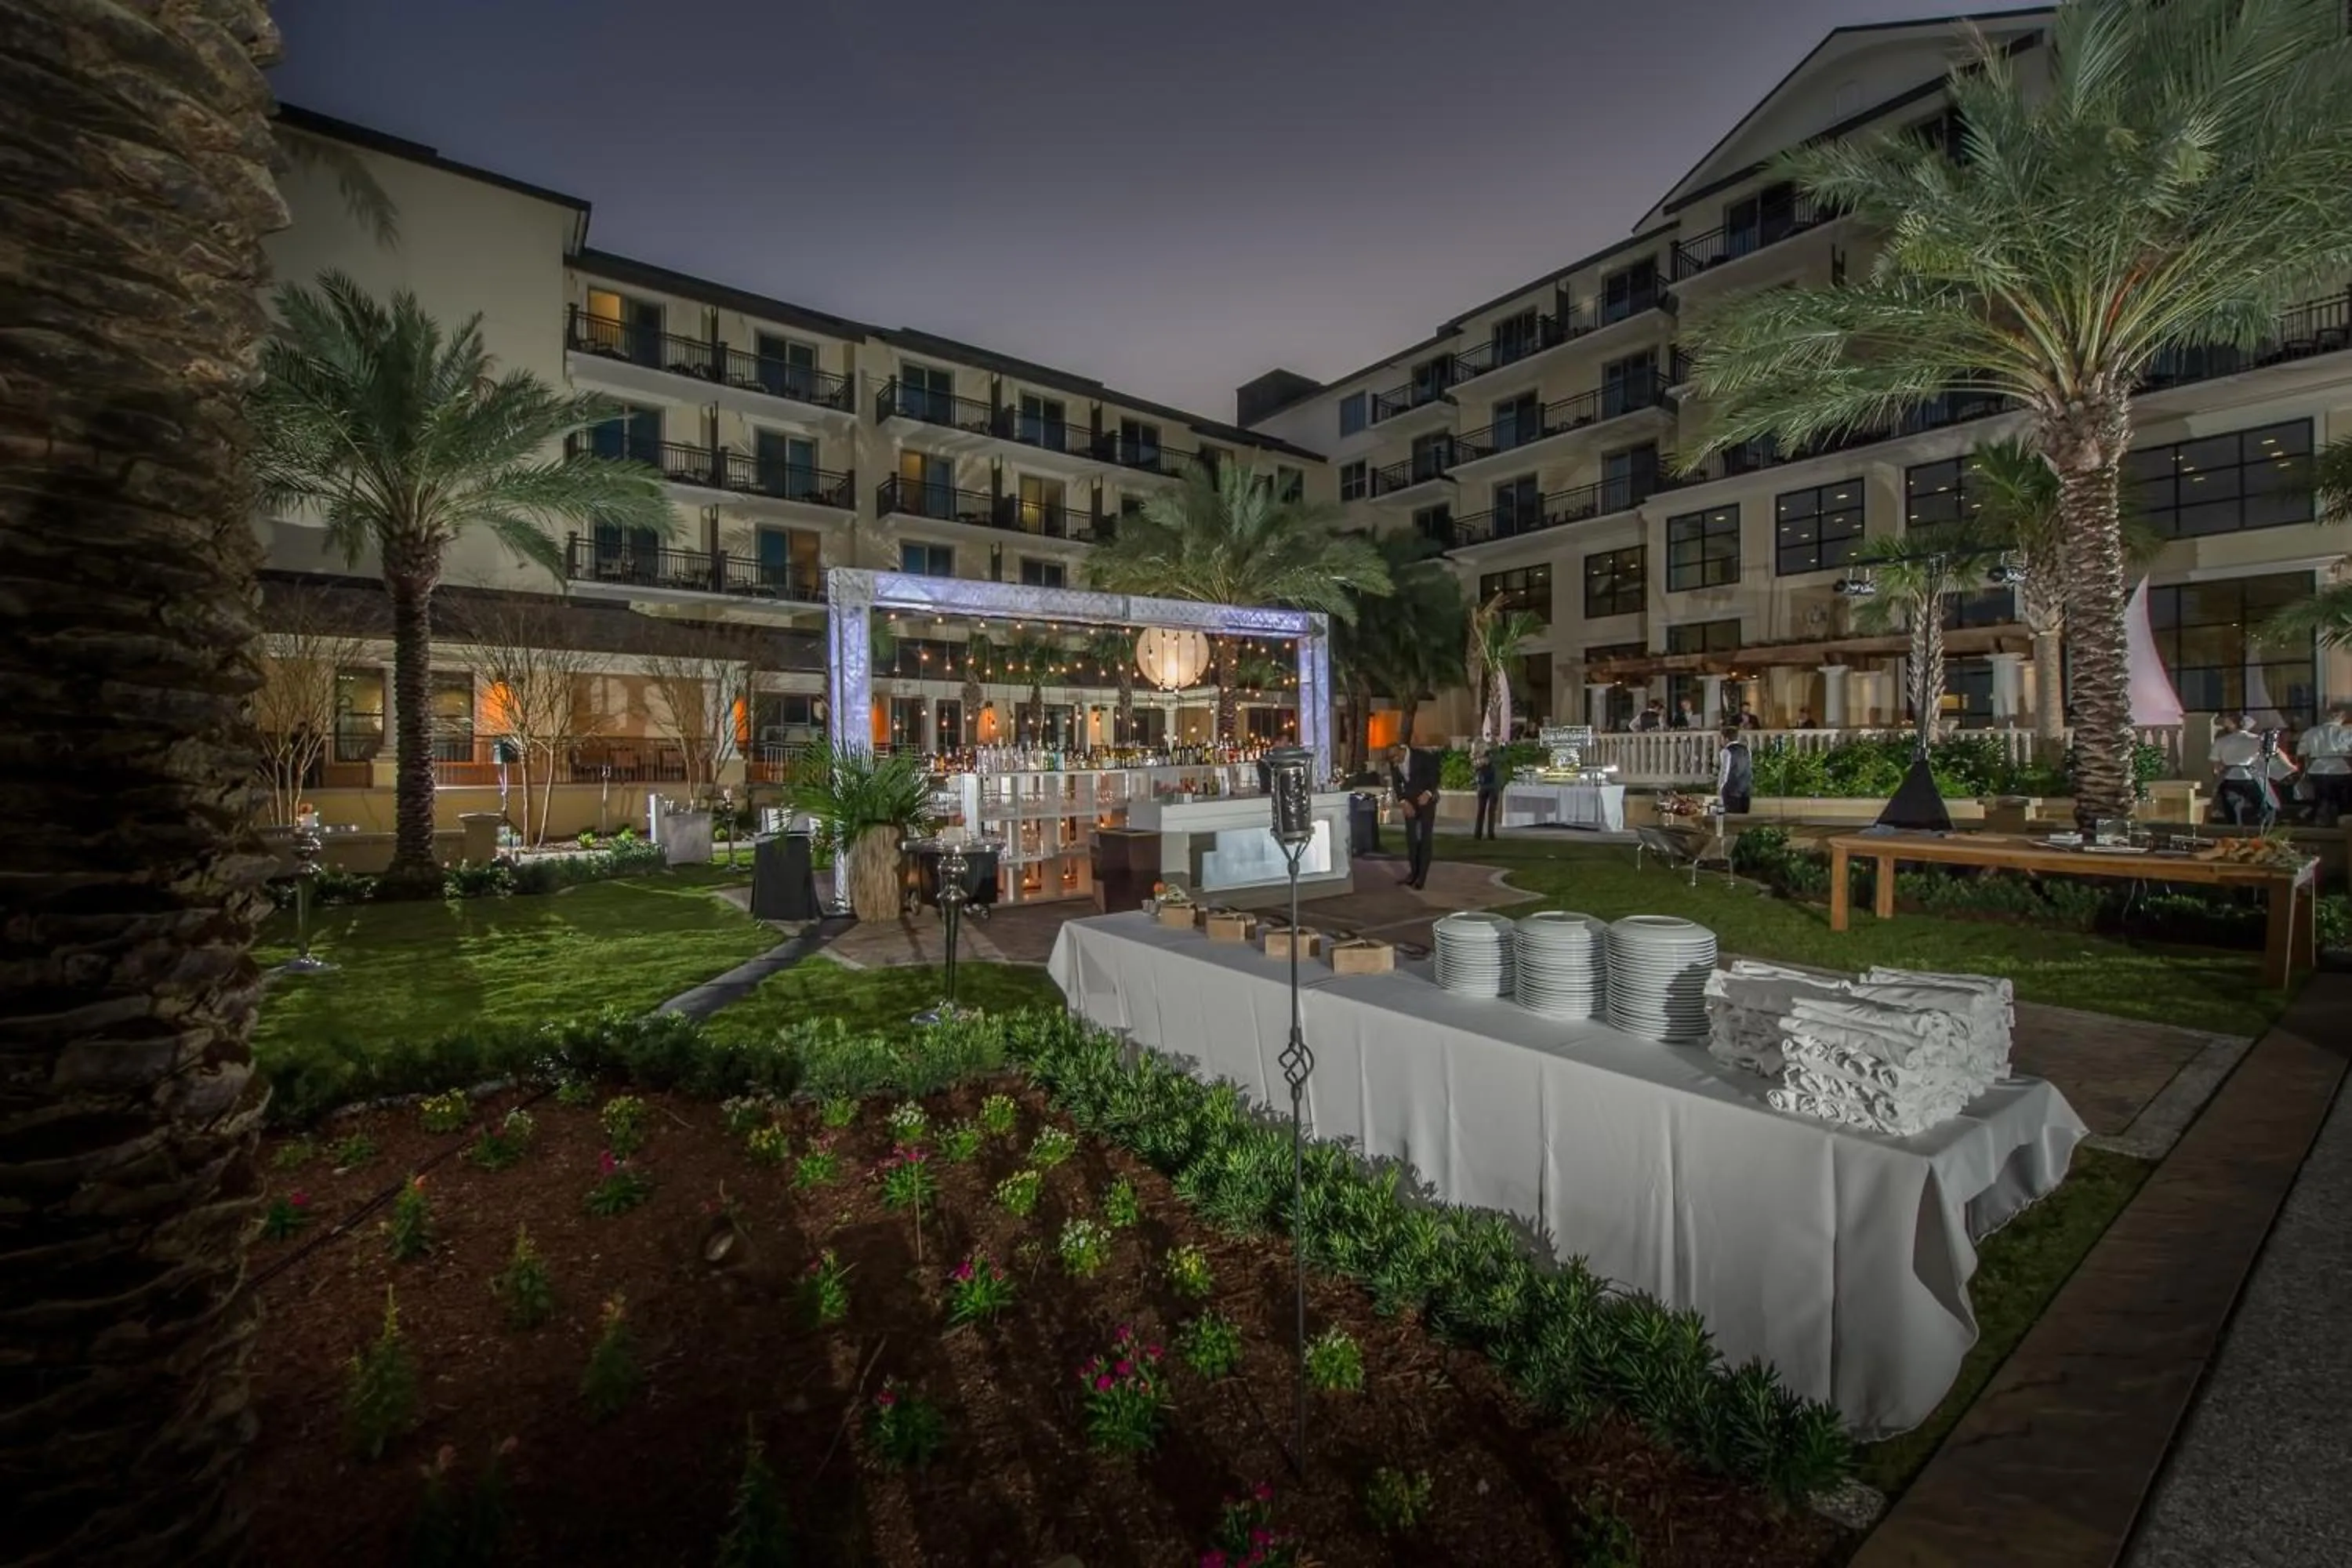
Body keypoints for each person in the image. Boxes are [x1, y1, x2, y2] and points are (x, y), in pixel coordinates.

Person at [1388, 742, 1440, 889]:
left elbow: (1435, 775)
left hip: (1426, 802)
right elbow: (1397, 784)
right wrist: (1403, 801)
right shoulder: (1394, 763)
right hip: (1410, 804)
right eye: (1391, 759)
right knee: (1411, 839)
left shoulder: (1422, 757)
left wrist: (1428, 793)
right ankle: (1413, 873)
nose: (1394, 762)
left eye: (1395, 758)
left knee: (1425, 838)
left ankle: (1421, 878)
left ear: (1401, 751)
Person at [2296, 704, 2351, 825]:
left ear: (2325, 717)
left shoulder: (2311, 732)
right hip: (2342, 769)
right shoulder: (2348, 732)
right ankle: (2342, 824)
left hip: (2317, 769)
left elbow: (2301, 754)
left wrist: (2302, 773)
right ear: (2343, 717)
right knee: (2343, 801)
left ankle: (2320, 822)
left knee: (2322, 799)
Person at [2209, 715, 2263, 826]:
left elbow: (2215, 763)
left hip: (2229, 777)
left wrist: (2220, 774)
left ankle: (2233, 827)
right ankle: (2259, 826)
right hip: (2249, 776)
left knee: (2230, 809)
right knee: (2261, 805)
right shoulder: (2257, 739)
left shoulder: (2221, 741)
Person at [1715, 723, 1753, 815]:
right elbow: (1748, 767)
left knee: (1731, 817)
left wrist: (1720, 787)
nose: (1721, 741)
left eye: (1722, 738)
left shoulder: (1726, 751)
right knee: (1743, 818)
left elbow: (1725, 772)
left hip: (1731, 791)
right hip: (1745, 789)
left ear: (1726, 739)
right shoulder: (1746, 750)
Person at [1472, 742, 1501, 840]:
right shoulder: (1481, 760)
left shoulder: (1492, 758)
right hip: (1486, 786)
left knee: (1490, 811)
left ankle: (1488, 833)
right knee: (1482, 810)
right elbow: (1476, 769)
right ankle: (1480, 833)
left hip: (1490, 786)